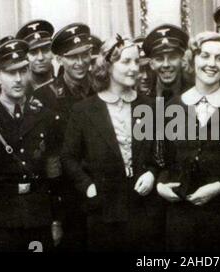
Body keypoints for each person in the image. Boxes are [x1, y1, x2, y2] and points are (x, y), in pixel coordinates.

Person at [156, 31, 220, 251]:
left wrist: (218, 187)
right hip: (180, 218)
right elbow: (163, 161)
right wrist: (161, 185)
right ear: (193, 59)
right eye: (205, 56)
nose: (211, 64)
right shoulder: (173, 107)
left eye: (219, 58)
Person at [61, 36, 164, 251]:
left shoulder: (150, 107)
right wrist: (88, 186)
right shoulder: (84, 110)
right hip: (104, 208)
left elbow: (161, 154)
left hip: (143, 205)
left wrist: (152, 173)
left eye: (136, 62)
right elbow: (69, 158)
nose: (134, 68)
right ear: (107, 65)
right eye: (126, 62)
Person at [0, 39, 63, 252]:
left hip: (38, 220)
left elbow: (53, 174)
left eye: (22, 71)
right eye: (11, 73)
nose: (18, 79)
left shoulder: (45, 117)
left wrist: (56, 220)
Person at [32, 23, 96, 251]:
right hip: (66, 199)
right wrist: (53, 217)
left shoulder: (103, 89)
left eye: (84, 55)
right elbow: (42, 161)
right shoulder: (44, 97)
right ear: (59, 59)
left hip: (100, 192)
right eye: (72, 57)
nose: (80, 63)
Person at [142, 24, 192, 101]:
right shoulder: (144, 99)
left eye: (173, 57)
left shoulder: (193, 95)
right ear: (151, 64)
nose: (166, 64)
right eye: (159, 59)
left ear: (183, 61)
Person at [16, 20, 55, 92]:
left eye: (45, 50)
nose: (40, 57)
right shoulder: (20, 92)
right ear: (25, 57)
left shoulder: (63, 88)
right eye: (33, 52)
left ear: (53, 53)